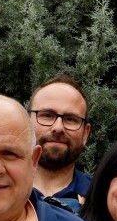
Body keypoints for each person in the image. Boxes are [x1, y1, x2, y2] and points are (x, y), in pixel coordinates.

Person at [30, 73, 96, 210]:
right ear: (26, 123)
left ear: (85, 133)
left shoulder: (102, 197)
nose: (58, 128)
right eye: (47, 115)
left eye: (71, 119)